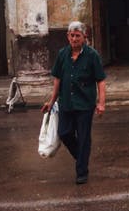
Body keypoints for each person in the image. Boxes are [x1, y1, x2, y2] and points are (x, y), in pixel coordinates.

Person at [42, 21, 107, 185]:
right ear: (67, 36)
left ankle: (81, 172)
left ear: (84, 37)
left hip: (85, 104)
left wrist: (101, 103)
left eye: (77, 36)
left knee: (84, 137)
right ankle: (81, 157)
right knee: (64, 132)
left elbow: (101, 81)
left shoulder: (92, 55)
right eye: (71, 35)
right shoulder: (63, 54)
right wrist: (51, 101)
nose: (74, 39)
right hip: (66, 103)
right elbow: (57, 79)